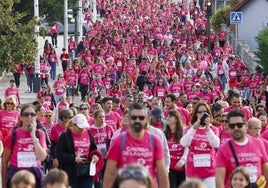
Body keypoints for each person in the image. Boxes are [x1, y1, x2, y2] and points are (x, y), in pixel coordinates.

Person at [103, 102, 169, 188]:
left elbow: (162, 174)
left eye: (141, 118)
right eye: (134, 117)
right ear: (129, 119)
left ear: (146, 119)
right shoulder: (118, 141)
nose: (137, 120)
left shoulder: (155, 141)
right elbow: (109, 174)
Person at [216, 110, 268, 188]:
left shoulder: (258, 143)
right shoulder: (223, 150)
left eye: (239, 125)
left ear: (246, 125)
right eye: (232, 126)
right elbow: (219, 180)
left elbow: (266, 172)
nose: (236, 128)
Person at [2, 104, 47, 188]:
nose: (29, 117)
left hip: (36, 178)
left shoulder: (40, 134)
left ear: (36, 116)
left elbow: (42, 157)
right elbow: (4, 162)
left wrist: (33, 136)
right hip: (16, 179)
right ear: (21, 117)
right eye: (26, 114)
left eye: (32, 114)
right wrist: (3, 184)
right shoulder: (13, 135)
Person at [56, 114, 103, 188]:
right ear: (74, 125)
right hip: (70, 173)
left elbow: (93, 148)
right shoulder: (65, 136)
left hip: (86, 171)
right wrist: (74, 159)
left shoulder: (88, 133)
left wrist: (94, 155)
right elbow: (59, 154)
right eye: (80, 127)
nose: (82, 129)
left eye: (84, 127)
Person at [180, 101, 220, 188]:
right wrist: (194, 128)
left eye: (205, 112)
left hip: (210, 172)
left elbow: (216, 144)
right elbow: (184, 143)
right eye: (199, 112)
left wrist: (208, 130)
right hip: (193, 171)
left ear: (208, 114)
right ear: (196, 114)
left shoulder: (213, 129)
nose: (202, 114)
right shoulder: (190, 129)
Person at [164, 109, 188, 188]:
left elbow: (187, 147)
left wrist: (183, 160)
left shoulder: (183, 132)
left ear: (177, 119)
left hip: (182, 169)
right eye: (167, 116)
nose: (167, 118)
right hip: (170, 168)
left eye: (170, 116)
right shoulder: (163, 133)